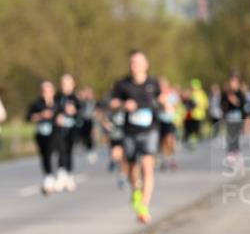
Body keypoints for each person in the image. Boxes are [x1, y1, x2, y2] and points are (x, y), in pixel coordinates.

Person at [110, 50, 163, 223]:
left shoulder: (153, 83)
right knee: (132, 169)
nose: (135, 65)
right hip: (130, 131)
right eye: (132, 62)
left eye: (138, 62)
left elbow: (162, 98)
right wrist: (124, 105)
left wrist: (167, 104)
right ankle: (136, 191)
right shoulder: (122, 84)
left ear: (146, 65)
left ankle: (144, 207)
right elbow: (113, 103)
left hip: (150, 130)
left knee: (148, 167)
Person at [27, 81, 58, 194]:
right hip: (41, 133)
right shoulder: (37, 104)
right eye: (44, 91)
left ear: (53, 92)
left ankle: (58, 175)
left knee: (52, 153)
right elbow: (29, 117)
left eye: (48, 91)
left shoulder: (57, 103)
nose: (46, 93)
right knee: (45, 155)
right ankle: (48, 176)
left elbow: (63, 115)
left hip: (55, 133)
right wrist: (41, 115)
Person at [54, 73, 80, 192]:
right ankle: (61, 175)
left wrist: (74, 112)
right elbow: (52, 110)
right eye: (64, 83)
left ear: (73, 85)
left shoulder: (76, 99)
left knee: (69, 152)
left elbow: (81, 114)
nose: (66, 86)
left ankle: (69, 176)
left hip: (71, 130)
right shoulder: (57, 97)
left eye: (68, 83)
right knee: (61, 151)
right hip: (59, 130)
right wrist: (57, 116)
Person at [221, 72, 247, 163]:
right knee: (230, 134)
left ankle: (237, 151)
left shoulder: (240, 93)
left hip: (238, 117)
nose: (232, 84)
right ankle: (230, 152)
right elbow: (223, 105)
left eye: (234, 82)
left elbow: (242, 105)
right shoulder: (226, 93)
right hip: (229, 117)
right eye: (231, 82)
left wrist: (234, 100)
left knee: (236, 135)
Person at [157, 78, 180, 171]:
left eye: (164, 86)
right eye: (160, 86)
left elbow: (176, 106)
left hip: (170, 120)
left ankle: (172, 159)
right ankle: (164, 160)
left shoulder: (172, 95)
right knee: (162, 141)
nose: (162, 87)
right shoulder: (157, 95)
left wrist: (168, 104)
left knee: (170, 139)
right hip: (160, 120)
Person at [76, 85, 98, 163]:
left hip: (91, 120)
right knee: (83, 134)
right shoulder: (82, 102)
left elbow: (97, 110)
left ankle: (91, 149)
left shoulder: (93, 101)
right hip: (83, 120)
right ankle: (83, 146)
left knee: (90, 135)